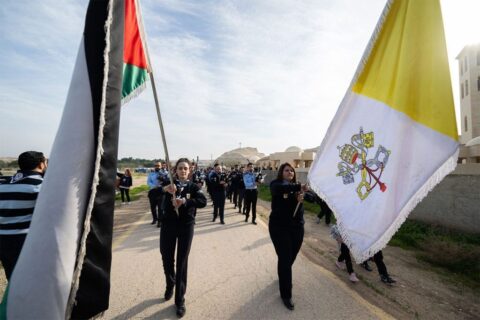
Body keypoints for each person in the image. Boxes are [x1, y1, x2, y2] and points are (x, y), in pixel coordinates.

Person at [159, 158, 207, 318]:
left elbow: (202, 201)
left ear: (190, 170)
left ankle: (180, 300)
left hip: (186, 226)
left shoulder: (193, 186)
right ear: (175, 170)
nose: (183, 171)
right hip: (168, 226)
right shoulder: (168, 183)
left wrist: (185, 201)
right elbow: (152, 194)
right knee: (166, 258)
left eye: (185, 168)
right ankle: (170, 283)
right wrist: (166, 189)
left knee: (182, 262)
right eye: (180, 168)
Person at [0, 151, 47, 280]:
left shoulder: (3, 183)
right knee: (29, 280)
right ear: (41, 165)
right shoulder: (41, 185)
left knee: (12, 277)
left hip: (3, 240)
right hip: (24, 240)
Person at [268, 162, 308, 310]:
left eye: (292, 170)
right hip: (279, 227)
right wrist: (298, 188)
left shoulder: (298, 187)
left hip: (297, 228)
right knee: (285, 258)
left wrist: (302, 198)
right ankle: (286, 294)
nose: (290, 172)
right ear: (281, 172)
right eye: (286, 170)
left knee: (291, 257)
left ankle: (283, 273)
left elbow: (309, 199)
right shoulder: (276, 184)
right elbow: (280, 189)